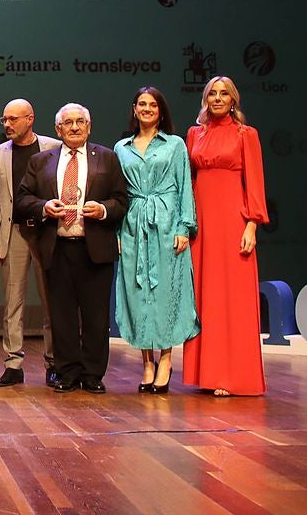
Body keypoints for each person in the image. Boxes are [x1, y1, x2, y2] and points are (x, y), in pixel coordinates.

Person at [16, 103, 128, 394]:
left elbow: (121, 201)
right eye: (69, 123)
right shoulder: (41, 161)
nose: (75, 127)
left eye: (80, 122)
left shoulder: (107, 158)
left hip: (95, 249)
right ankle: (66, 372)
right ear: (58, 129)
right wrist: (44, 207)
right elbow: (22, 200)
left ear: (89, 127)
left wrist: (103, 209)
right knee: (62, 316)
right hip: (57, 247)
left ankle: (92, 374)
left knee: (95, 315)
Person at [183, 76, 269, 396]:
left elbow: (255, 182)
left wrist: (252, 224)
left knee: (233, 298)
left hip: (233, 221)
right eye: (212, 94)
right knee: (205, 297)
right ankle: (208, 374)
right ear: (206, 99)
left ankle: (233, 376)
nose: (218, 99)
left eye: (224, 94)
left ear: (234, 100)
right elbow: (187, 183)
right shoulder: (194, 134)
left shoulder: (247, 135)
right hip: (201, 224)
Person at [113, 87, 199, 394]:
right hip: (133, 225)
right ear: (134, 109)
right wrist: (118, 232)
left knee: (165, 294)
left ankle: (166, 359)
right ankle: (146, 362)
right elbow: (118, 194)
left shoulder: (175, 145)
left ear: (161, 111)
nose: (147, 109)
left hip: (165, 224)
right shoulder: (121, 147)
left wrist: (184, 227)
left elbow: (184, 187)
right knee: (138, 294)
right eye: (141, 104)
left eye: (153, 105)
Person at [0, 99, 60, 386]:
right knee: (12, 303)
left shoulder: (53, 147)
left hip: (45, 231)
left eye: (13, 119)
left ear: (30, 119)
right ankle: (13, 364)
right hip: (13, 232)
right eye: (4, 119)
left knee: (51, 301)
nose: (7, 125)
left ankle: (53, 362)